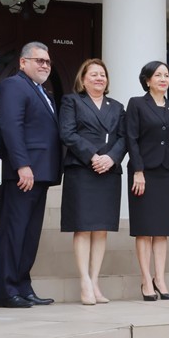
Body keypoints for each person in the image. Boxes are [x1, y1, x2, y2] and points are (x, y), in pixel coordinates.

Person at [0, 42, 61, 308]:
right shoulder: (13, 85)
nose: (44, 65)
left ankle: (23, 286)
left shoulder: (43, 91)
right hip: (22, 173)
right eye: (39, 60)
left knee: (29, 234)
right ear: (23, 63)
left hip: (40, 173)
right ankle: (7, 291)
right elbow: (12, 127)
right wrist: (22, 164)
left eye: (47, 61)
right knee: (14, 231)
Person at [59, 59, 126, 305]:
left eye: (103, 75)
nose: (99, 78)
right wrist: (92, 156)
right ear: (83, 78)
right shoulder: (72, 101)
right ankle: (84, 281)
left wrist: (111, 158)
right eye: (94, 74)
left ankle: (95, 280)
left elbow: (123, 137)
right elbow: (67, 133)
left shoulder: (117, 106)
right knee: (83, 226)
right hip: (82, 170)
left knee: (100, 228)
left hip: (108, 171)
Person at [126, 61, 169, 301]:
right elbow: (132, 138)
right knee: (144, 230)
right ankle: (145, 280)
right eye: (158, 75)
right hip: (144, 174)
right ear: (147, 80)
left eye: (166, 75)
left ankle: (160, 279)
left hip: (168, 173)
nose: (163, 79)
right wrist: (138, 170)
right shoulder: (136, 104)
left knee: (161, 231)